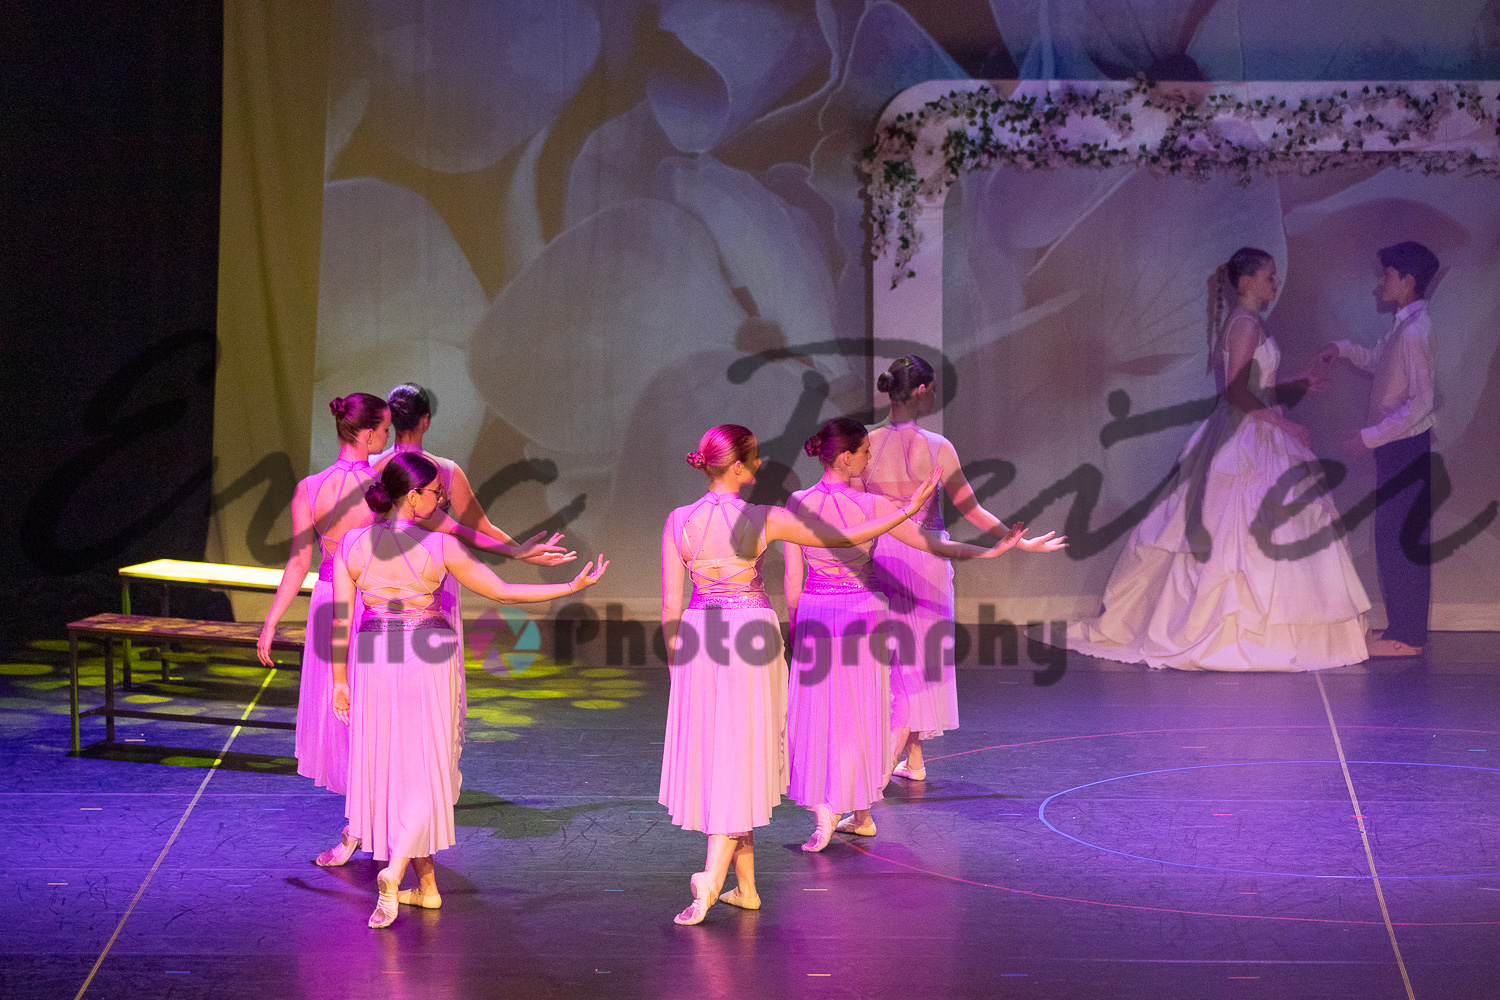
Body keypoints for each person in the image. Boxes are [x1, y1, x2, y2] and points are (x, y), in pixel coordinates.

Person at [256, 392, 554, 867]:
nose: (387, 437)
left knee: (351, 726)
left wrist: (271, 621)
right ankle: (368, 829)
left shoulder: (309, 487)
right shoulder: (383, 485)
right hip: (374, 609)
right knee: (377, 727)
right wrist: (514, 552)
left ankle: (361, 828)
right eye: (383, 430)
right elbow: (450, 528)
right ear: (372, 433)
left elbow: (298, 562)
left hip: (329, 605)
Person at [660, 424, 940, 924]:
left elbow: (668, 608)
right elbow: (842, 537)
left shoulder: (678, 520)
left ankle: (746, 888)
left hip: (700, 637)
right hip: (749, 634)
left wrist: (677, 666)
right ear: (739, 466)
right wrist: (905, 509)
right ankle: (712, 877)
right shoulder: (764, 517)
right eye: (755, 458)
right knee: (741, 755)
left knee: (725, 754)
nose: (759, 465)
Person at [333, 452, 608, 928]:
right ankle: (394, 872)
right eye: (436, 493)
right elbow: (501, 591)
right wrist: (568, 588)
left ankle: (428, 889)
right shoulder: (438, 545)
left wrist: (339, 680)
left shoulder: (352, 544)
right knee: (427, 771)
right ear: (411, 495)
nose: (442, 501)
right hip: (425, 657)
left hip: (373, 659)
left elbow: (339, 621)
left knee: (393, 768)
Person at [1069, 247, 1369, 670]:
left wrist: (1296, 382)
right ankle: (1233, 631)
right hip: (1246, 435)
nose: (1275, 283)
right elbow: (1237, 392)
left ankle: (1273, 631)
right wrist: (1285, 426)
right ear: (1246, 282)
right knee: (1238, 528)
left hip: (1254, 430)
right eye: (1268, 276)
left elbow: (1255, 385)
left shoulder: (1251, 323)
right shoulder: (1244, 324)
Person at [785, 418, 1024, 851]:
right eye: (864, 452)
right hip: (854, 613)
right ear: (846, 457)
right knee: (856, 714)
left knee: (838, 713)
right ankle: (852, 813)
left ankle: (846, 812)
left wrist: (796, 628)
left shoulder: (801, 502)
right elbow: (934, 545)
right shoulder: (868, 506)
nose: (869, 458)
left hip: (825, 615)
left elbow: (792, 580)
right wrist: (989, 551)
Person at [858, 357, 1067, 781]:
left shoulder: (867, 443)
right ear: (922, 391)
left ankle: (914, 759)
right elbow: (971, 510)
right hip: (926, 557)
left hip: (882, 556)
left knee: (901, 662)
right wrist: (1018, 541)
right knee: (918, 663)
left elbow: (857, 510)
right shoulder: (937, 446)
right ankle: (878, 773)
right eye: (933, 390)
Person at [1319, 241, 1440, 658]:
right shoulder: (1405, 327)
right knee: (1392, 538)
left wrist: (1369, 436)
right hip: (1397, 449)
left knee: (1402, 539)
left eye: (1386, 275)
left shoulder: (1416, 330)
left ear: (1407, 280)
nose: (1379, 283)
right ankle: (1402, 629)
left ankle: (1409, 637)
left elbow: (1422, 402)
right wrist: (1342, 349)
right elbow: (1378, 362)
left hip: (1406, 449)